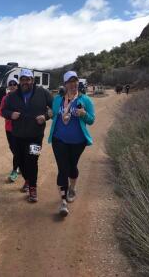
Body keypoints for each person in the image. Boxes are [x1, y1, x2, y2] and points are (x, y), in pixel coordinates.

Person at [2, 69, 53, 202]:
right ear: (20, 81)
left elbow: (55, 107)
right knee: (20, 161)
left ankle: (33, 188)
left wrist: (46, 116)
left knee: (32, 161)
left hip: (36, 135)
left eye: (28, 79)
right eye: (23, 79)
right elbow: (3, 111)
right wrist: (10, 114)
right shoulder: (12, 96)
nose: (25, 82)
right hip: (17, 135)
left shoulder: (43, 93)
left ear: (32, 80)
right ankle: (28, 180)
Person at [48, 71, 95, 217]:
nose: (73, 84)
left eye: (75, 81)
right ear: (65, 84)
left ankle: (72, 188)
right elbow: (54, 114)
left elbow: (91, 120)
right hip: (58, 139)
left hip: (78, 141)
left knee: (72, 167)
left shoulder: (85, 100)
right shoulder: (58, 100)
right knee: (63, 169)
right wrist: (50, 115)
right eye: (70, 81)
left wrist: (84, 114)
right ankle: (63, 202)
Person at [0, 76, 20, 182]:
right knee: (12, 148)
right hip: (9, 128)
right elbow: (1, 112)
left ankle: (15, 170)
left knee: (17, 150)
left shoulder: (22, 97)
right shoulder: (5, 98)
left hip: (21, 129)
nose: (12, 86)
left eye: (14, 84)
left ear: (17, 85)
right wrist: (10, 115)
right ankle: (19, 164)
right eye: (10, 84)